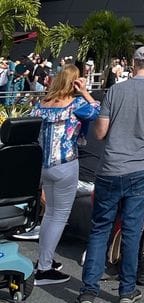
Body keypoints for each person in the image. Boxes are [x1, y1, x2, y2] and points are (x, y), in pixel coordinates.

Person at [77, 45, 144, 303]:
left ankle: (87, 292)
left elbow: (100, 132)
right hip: (140, 170)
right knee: (131, 231)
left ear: (133, 63)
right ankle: (127, 291)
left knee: (99, 230)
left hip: (109, 168)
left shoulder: (115, 91)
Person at [30, 63, 100, 285]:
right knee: (59, 216)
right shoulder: (76, 104)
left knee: (49, 214)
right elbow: (97, 111)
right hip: (66, 163)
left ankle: (45, 260)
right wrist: (85, 92)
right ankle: (44, 268)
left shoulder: (42, 104)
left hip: (45, 166)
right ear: (75, 82)